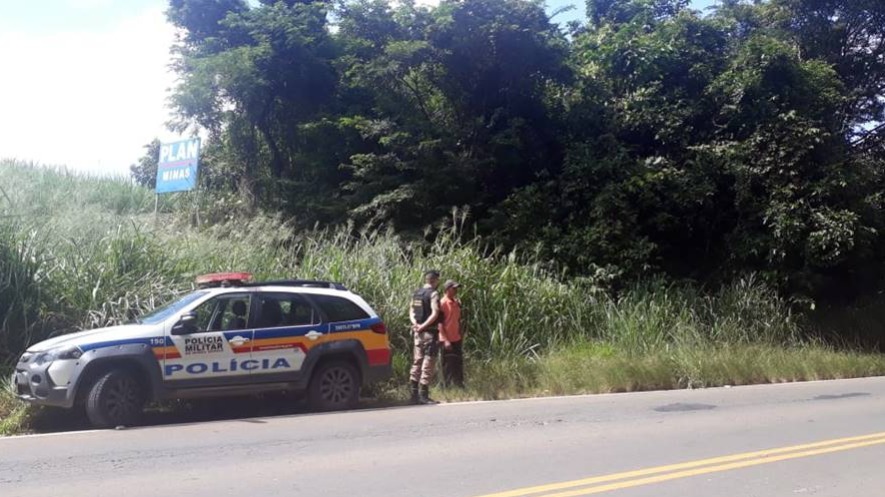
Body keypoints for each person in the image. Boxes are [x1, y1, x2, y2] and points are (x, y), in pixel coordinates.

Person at [409, 270, 442, 405]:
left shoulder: (416, 293)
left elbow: (411, 311)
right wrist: (423, 326)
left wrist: (415, 324)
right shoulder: (433, 294)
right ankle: (424, 395)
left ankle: (413, 395)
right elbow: (435, 313)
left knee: (417, 361)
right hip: (429, 333)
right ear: (435, 280)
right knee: (428, 363)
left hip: (417, 333)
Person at [438, 280, 464, 387]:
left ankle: (459, 384)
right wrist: (445, 340)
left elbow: (458, 320)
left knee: (458, 363)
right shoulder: (442, 303)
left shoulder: (456, 302)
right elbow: (439, 323)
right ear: (447, 289)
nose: (456, 290)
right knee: (447, 364)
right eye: (454, 288)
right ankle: (447, 386)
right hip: (446, 339)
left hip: (456, 338)